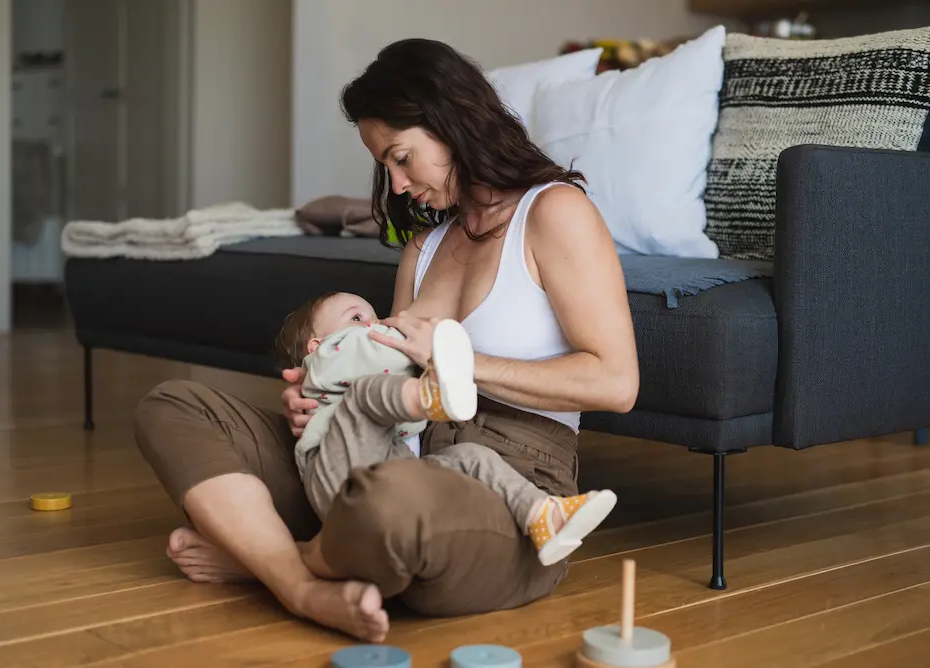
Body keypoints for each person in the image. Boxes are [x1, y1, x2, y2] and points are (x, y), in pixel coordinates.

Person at [132, 37, 639, 644]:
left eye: (402, 157)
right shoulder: (423, 251)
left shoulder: (554, 212)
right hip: (389, 457)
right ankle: (300, 580)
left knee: (391, 504)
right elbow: (388, 392)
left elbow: (616, 382)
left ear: (451, 122)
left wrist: (463, 365)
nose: (396, 187)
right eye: (385, 167)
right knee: (176, 406)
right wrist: (320, 405)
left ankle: (266, 559)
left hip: (508, 490)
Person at [275, 290, 619, 575]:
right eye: (356, 319)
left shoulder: (358, 355)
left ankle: (543, 515)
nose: (374, 325)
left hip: (388, 478)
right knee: (367, 393)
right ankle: (428, 396)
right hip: (337, 474)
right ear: (317, 347)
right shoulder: (330, 359)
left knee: (469, 458)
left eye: (373, 316)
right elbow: (368, 362)